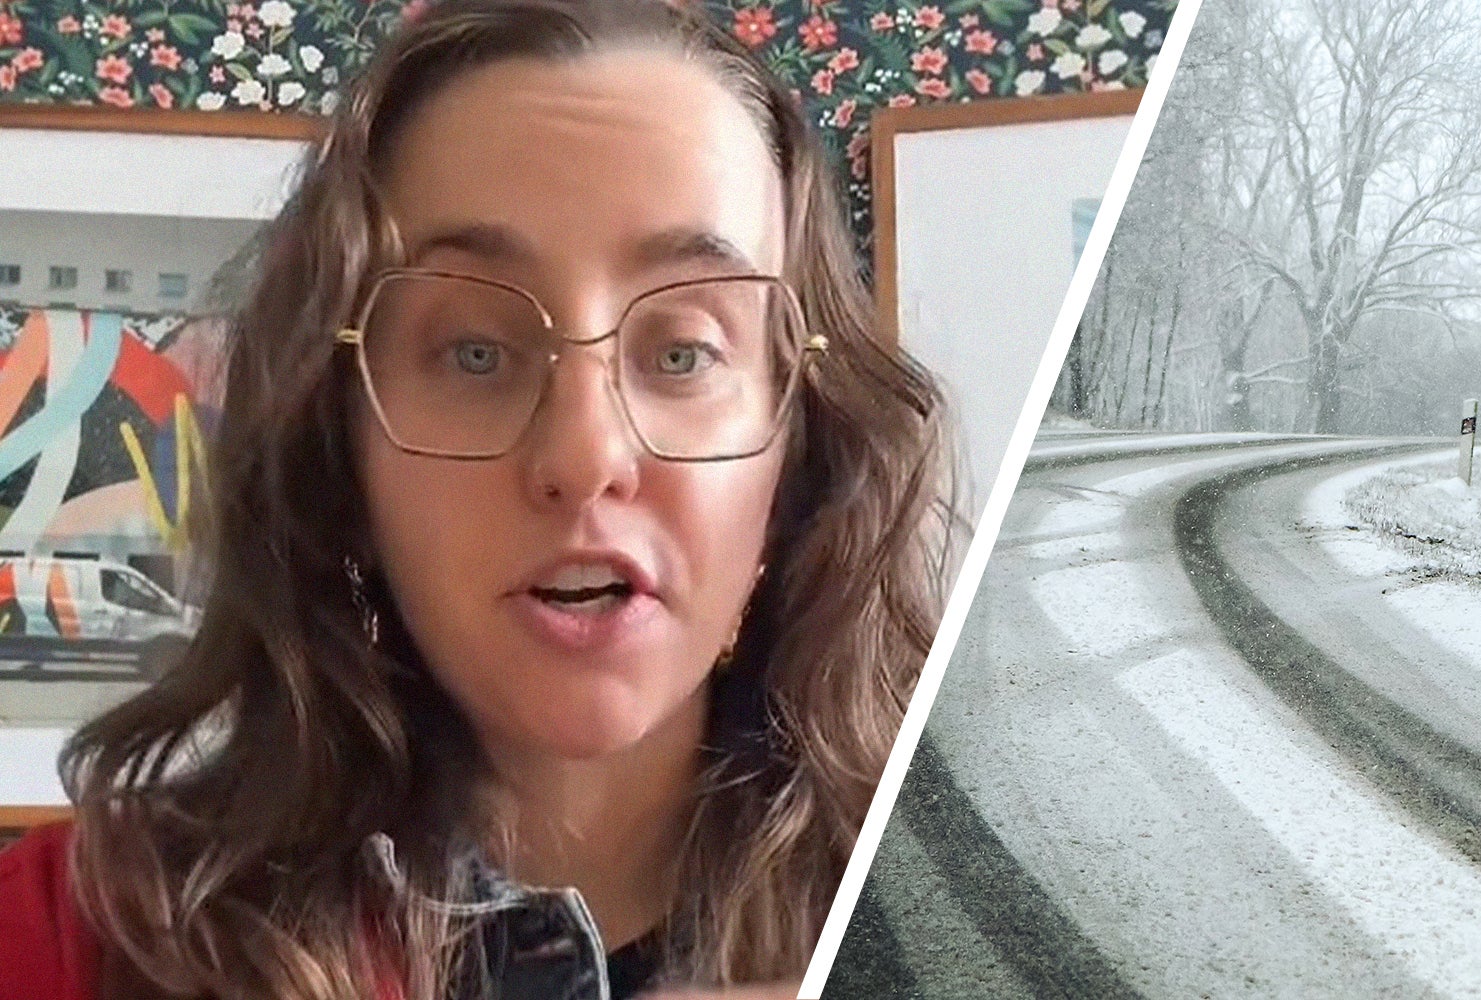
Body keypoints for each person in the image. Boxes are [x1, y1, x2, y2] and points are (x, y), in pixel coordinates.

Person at [0, 0, 954, 996]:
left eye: (680, 353)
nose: (585, 457)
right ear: (343, 453)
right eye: (474, 353)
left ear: (797, 451)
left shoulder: (979, 916)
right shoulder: (67, 940)